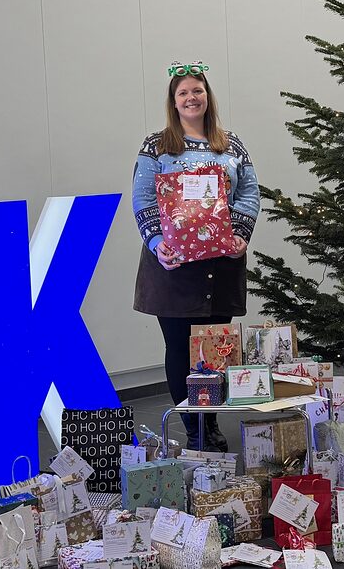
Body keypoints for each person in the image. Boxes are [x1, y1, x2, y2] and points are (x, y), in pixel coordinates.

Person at [132, 61, 259, 451]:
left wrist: (240, 235)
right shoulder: (157, 146)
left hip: (220, 266)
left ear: (208, 97)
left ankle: (212, 423)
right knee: (178, 350)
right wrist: (158, 243)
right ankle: (194, 429)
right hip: (174, 268)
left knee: (213, 349)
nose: (192, 98)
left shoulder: (230, 144)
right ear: (174, 101)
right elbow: (143, 198)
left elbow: (250, 192)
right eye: (184, 92)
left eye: (198, 91)